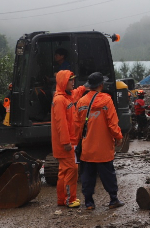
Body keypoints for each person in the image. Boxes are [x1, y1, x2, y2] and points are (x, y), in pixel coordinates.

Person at [74, 72, 125, 210]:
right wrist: (119, 137)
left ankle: (89, 202)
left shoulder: (81, 102)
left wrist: (78, 141)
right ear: (101, 85)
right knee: (108, 174)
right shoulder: (107, 101)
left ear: (89, 86)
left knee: (87, 175)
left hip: (87, 148)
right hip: (103, 148)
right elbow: (112, 124)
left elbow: (77, 126)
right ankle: (113, 199)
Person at [51, 70, 85, 208]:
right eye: (70, 80)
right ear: (63, 82)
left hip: (69, 142)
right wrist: (66, 142)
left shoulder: (66, 97)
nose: (73, 82)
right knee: (72, 170)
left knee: (64, 171)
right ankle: (70, 199)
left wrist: (85, 87)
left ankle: (61, 199)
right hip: (66, 144)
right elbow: (61, 123)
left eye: (73, 79)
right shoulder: (59, 100)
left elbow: (76, 93)